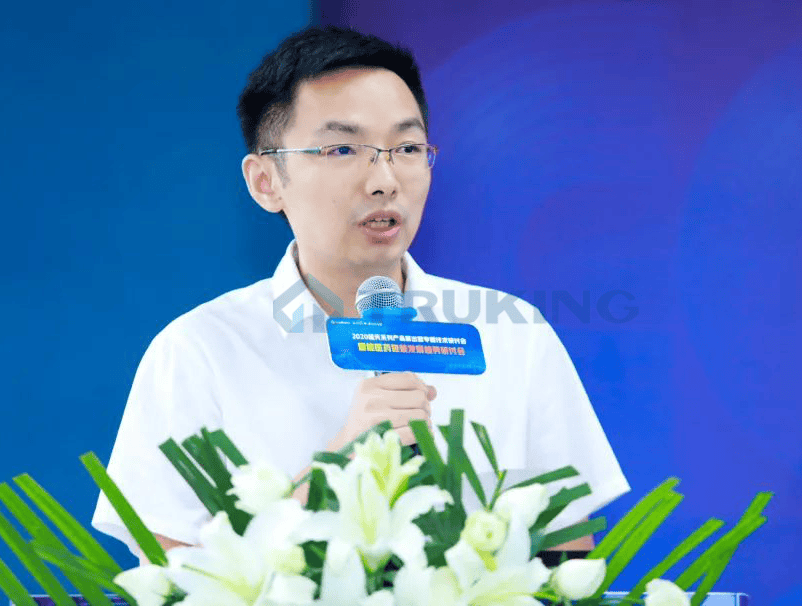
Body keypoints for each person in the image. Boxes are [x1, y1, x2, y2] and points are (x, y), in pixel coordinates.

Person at [92, 25, 628, 558]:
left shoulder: (511, 332)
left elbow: (564, 556)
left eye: (408, 147)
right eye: (343, 148)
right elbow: (171, 577)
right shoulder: (199, 351)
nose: (384, 180)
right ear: (265, 182)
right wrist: (334, 467)